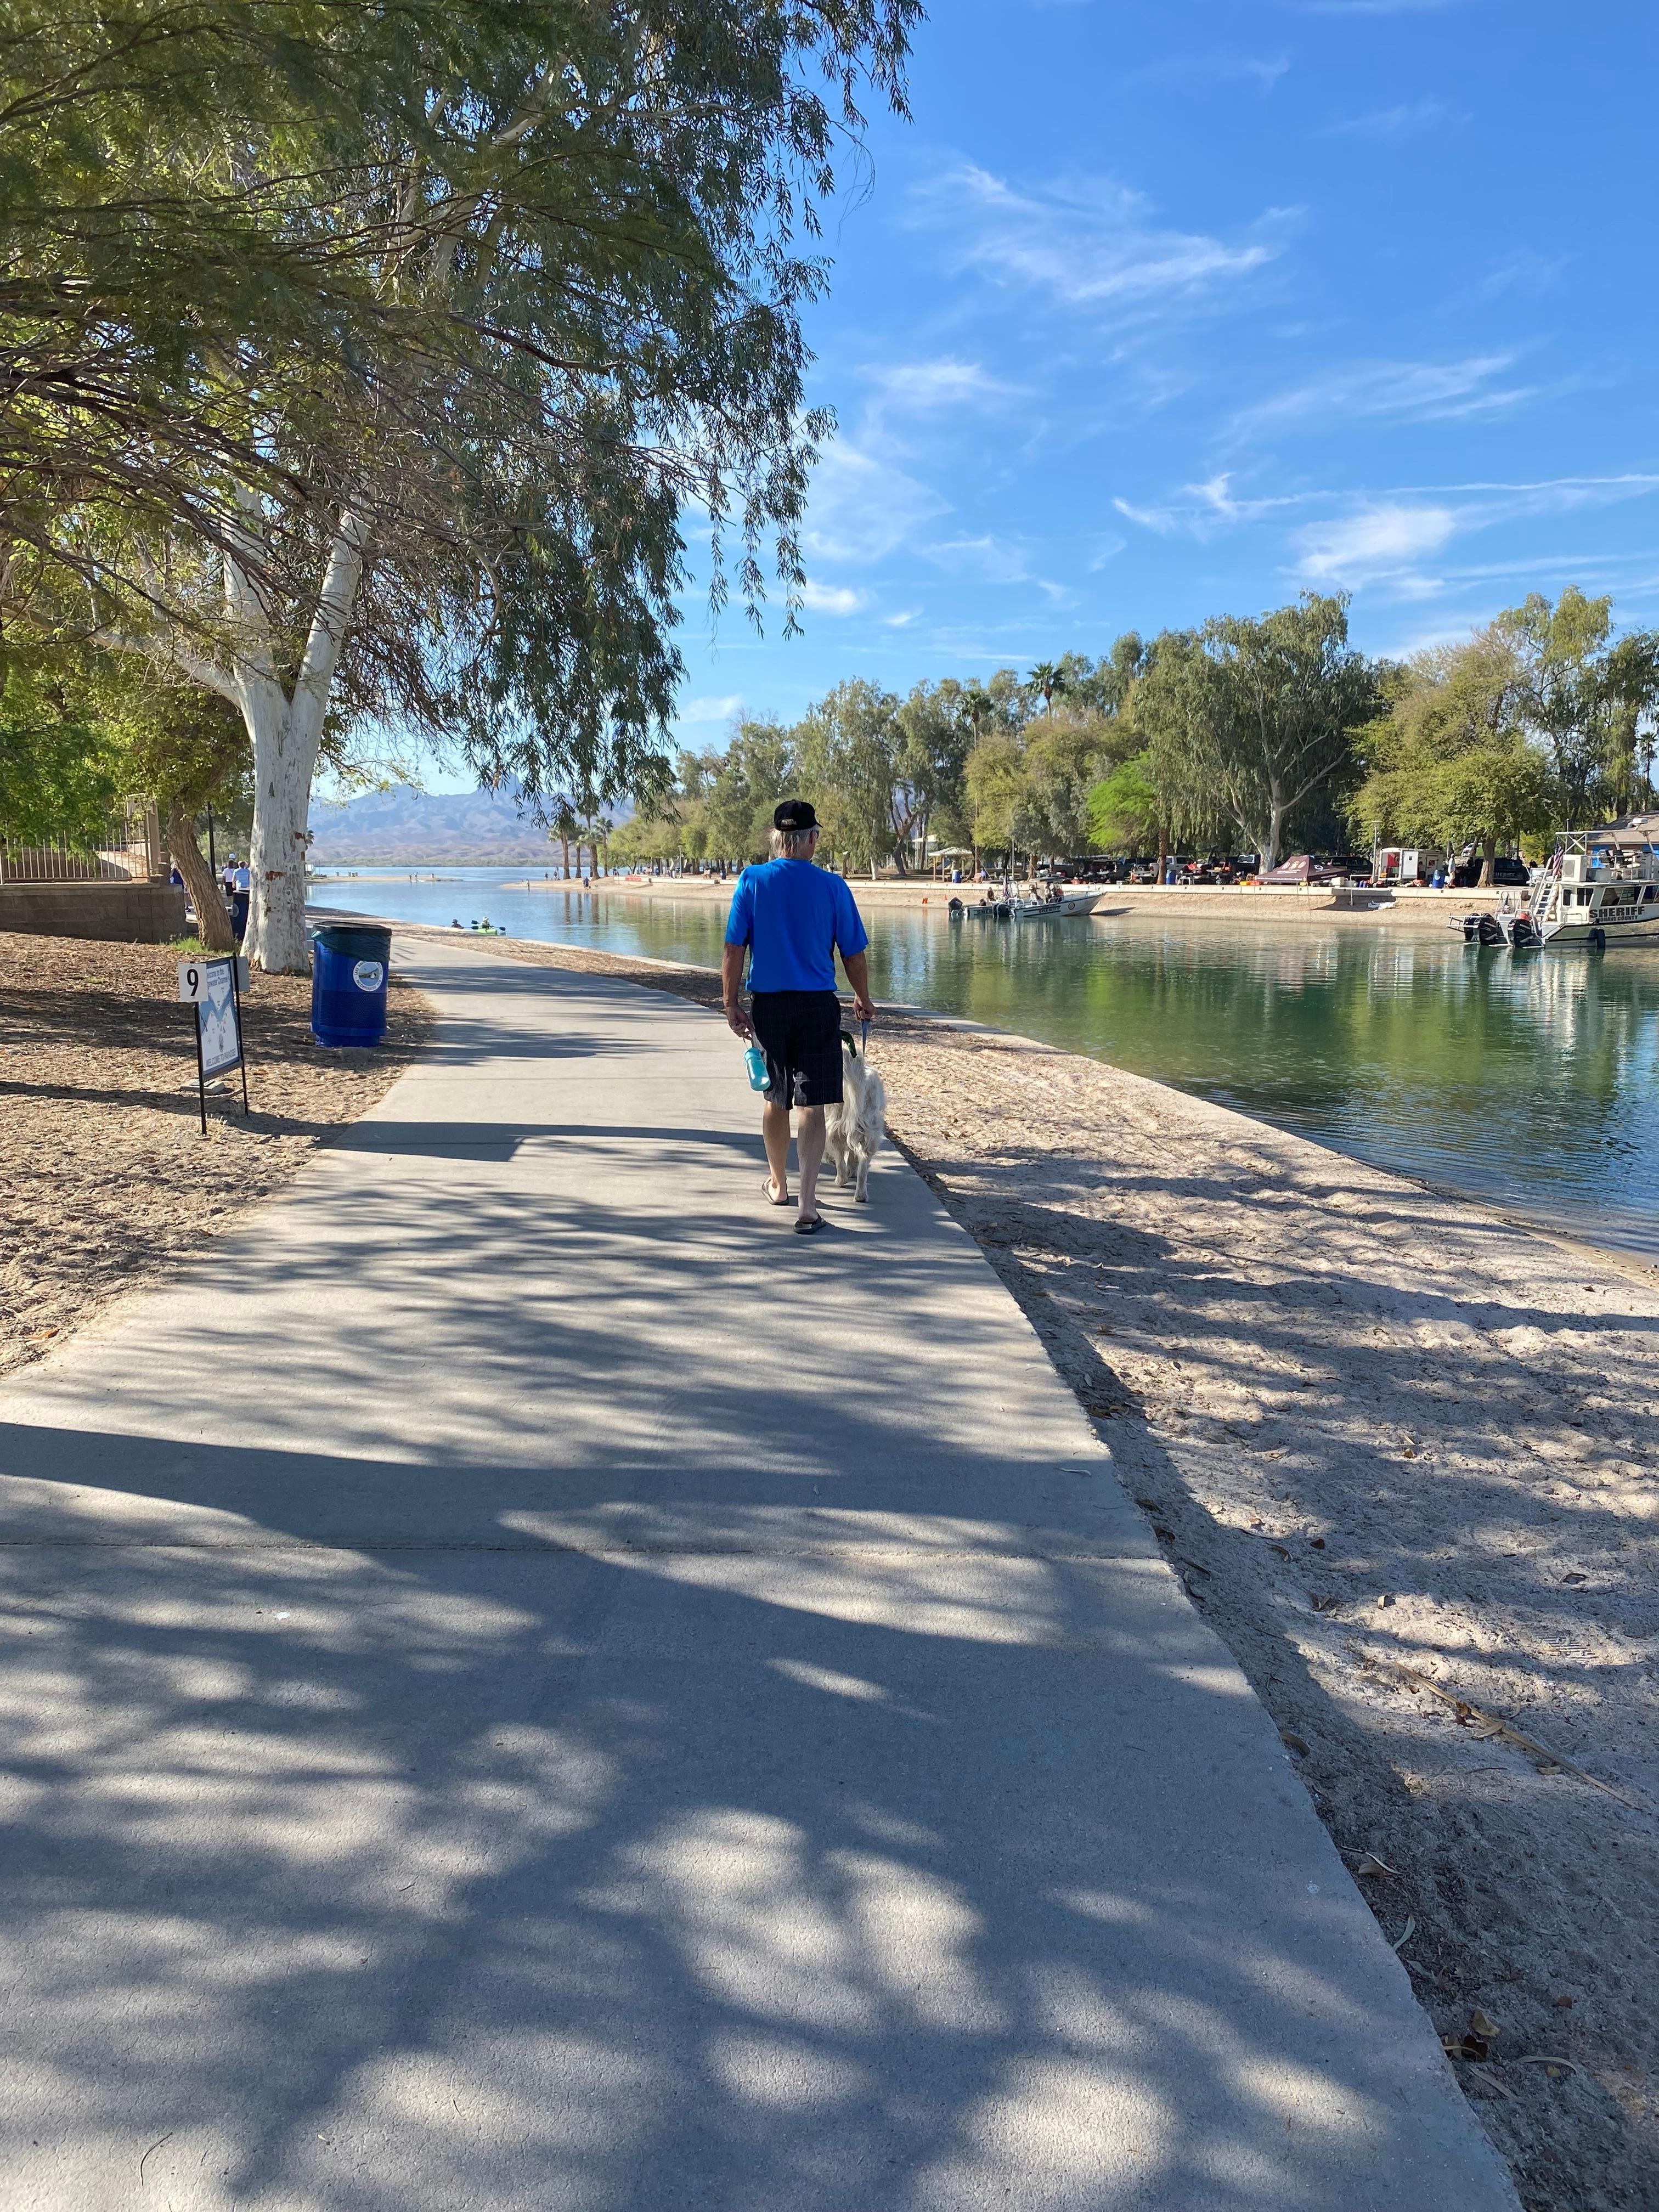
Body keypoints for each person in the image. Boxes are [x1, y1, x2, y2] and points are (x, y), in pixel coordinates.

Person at [723, 799, 875, 1235]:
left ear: (777, 838)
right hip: (817, 1005)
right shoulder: (833, 887)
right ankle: (807, 1207)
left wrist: (730, 1002)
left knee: (775, 1099)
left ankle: (778, 1185)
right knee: (812, 1104)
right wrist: (863, 998)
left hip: (769, 1006)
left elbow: (734, 947)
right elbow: (853, 954)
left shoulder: (752, 880)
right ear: (811, 838)